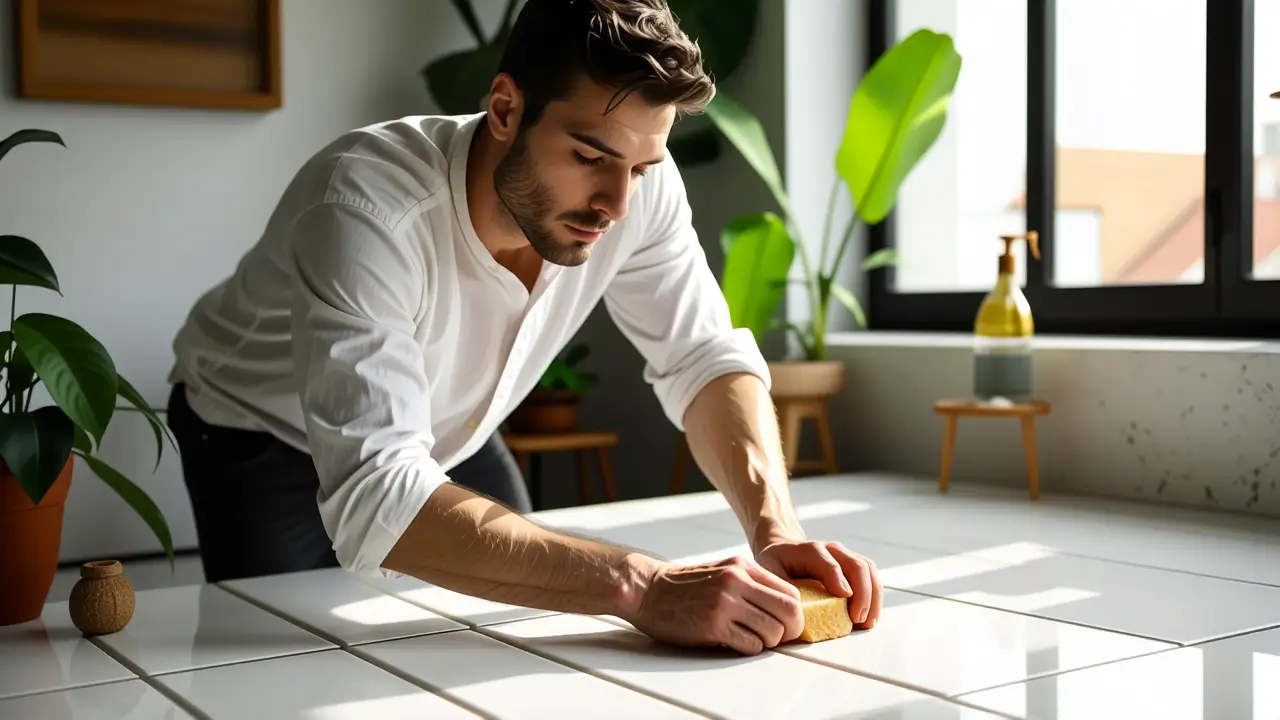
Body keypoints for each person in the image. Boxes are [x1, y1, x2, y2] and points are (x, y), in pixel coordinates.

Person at [166, 0, 882, 656]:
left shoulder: (637, 189)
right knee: (282, 658)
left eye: (641, 165)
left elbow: (701, 356)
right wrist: (642, 585)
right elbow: (378, 494)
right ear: (505, 107)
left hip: (448, 431)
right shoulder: (364, 207)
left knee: (513, 627)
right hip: (257, 432)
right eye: (589, 156)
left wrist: (775, 529)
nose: (616, 203)